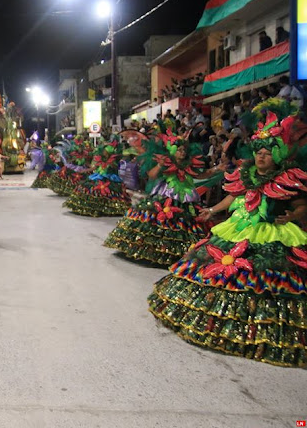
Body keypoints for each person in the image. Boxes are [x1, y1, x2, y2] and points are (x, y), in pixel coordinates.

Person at [148, 103, 307, 367]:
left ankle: (259, 327)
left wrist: (292, 216)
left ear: (277, 156)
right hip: (238, 226)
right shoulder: (247, 175)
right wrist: (211, 210)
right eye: (259, 153)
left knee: (264, 279)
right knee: (220, 267)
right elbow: (233, 197)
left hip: (273, 232)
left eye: (268, 153)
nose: (262, 158)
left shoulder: (288, 178)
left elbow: (301, 204)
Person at [104, 130, 226, 267]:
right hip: (167, 195)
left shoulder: (188, 164)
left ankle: (179, 253)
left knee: (185, 225)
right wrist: (160, 165)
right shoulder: (166, 162)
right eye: (179, 150)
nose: (182, 152)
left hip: (186, 197)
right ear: (172, 150)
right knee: (162, 223)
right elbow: (152, 175)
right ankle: (157, 251)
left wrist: (217, 169)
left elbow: (200, 175)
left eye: (183, 149)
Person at [64, 139, 131, 217]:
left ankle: (108, 207)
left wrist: (111, 164)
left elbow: (116, 168)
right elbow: (94, 168)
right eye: (104, 151)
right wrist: (84, 170)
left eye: (105, 152)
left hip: (110, 178)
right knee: (91, 188)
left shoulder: (113, 161)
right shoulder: (100, 159)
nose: (104, 152)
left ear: (109, 153)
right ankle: (96, 207)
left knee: (107, 192)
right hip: (99, 175)